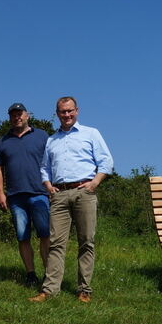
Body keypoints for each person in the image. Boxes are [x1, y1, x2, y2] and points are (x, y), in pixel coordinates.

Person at [29, 96, 113, 303]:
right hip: (59, 195)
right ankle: (49, 290)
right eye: (62, 112)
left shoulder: (91, 133)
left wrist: (94, 183)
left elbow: (106, 161)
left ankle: (84, 290)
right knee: (56, 243)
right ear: (57, 114)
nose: (66, 115)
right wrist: (48, 186)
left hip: (84, 191)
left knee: (86, 242)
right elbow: (44, 167)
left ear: (77, 111)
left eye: (70, 111)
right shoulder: (51, 140)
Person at [0, 103, 51, 286]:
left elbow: (53, 161)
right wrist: (0, 193)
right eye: (13, 115)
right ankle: (31, 275)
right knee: (23, 236)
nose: (16, 117)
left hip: (40, 193)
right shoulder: (4, 140)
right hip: (15, 196)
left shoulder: (42, 136)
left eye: (20, 114)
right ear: (9, 118)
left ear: (27, 115)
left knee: (45, 235)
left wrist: (53, 187)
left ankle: (49, 275)